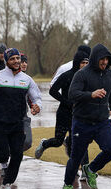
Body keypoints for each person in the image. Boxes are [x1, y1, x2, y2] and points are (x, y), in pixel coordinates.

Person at [0, 48, 42, 189]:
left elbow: (37, 97)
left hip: (17, 123)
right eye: (12, 59)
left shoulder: (26, 79)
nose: (16, 61)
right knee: (3, 155)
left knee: (18, 155)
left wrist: (37, 106)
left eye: (18, 58)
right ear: (7, 61)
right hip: (0, 122)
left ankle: (6, 184)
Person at [63, 44, 111, 189]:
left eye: (107, 59)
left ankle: (91, 169)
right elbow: (72, 94)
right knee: (76, 158)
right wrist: (91, 95)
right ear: (95, 58)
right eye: (102, 58)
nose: (105, 62)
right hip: (82, 122)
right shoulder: (82, 74)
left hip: (102, 122)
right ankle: (67, 185)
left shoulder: (110, 74)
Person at [35, 50, 90, 178]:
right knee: (58, 141)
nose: (85, 65)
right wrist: (67, 102)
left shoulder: (88, 78)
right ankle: (44, 144)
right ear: (77, 63)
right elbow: (53, 91)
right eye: (83, 62)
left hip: (78, 115)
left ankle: (80, 170)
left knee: (78, 141)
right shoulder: (67, 75)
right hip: (64, 113)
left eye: (87, 62)